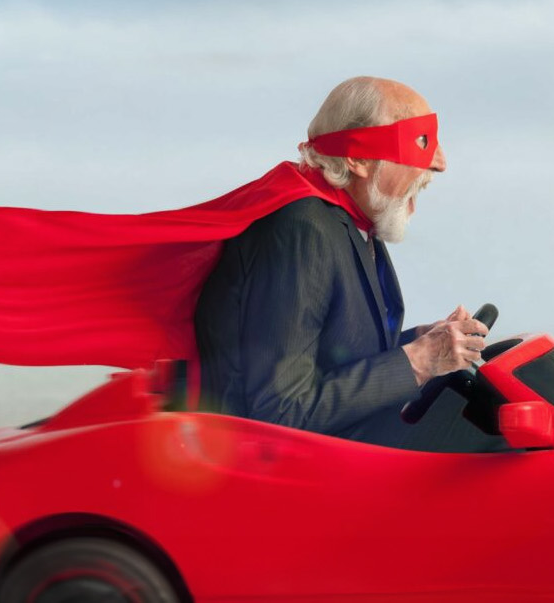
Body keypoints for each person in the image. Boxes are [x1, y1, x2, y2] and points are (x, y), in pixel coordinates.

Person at [194, 76, 491, 445]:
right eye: (421, 140)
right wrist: (419, 361)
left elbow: (331, 357)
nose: (441, 163)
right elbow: (280, 411)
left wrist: (422, 343)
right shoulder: (302, 229)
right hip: (282, 478)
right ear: (358, 158)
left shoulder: (352, 223)